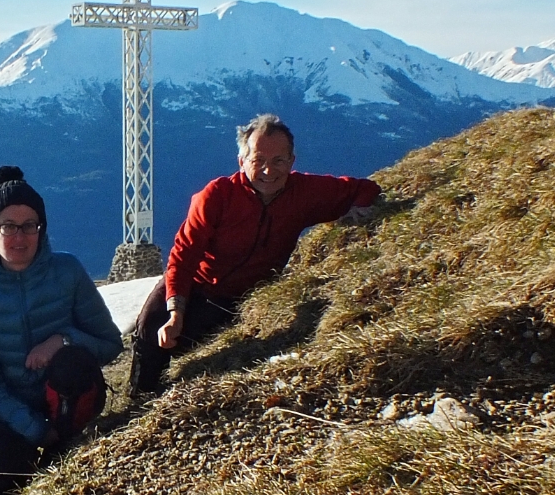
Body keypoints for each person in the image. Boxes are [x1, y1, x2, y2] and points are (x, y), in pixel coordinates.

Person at [131, 113, 381, 394]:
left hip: (242, 299)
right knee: (151, 330)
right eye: (258, 161)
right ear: (241, 162)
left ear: (291, 161)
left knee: (208, 353)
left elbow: (364, 188)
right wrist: (176, 311)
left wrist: (357, 212)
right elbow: (184, 255)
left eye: (278, 161)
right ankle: (140, 398)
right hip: (197, 286)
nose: (268, 171)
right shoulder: (216, 196)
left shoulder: (305, 192)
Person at [0, 166, 124, 495]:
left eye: (29, 226)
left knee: (69, 362)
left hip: (74, 393)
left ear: (42, 230)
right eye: (8, 227)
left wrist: (62, 340)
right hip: (19, 407)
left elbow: (110, 344)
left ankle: (66, 445)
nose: (20, 237)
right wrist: (32, 427)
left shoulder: (68, 271)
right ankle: (51, 457)